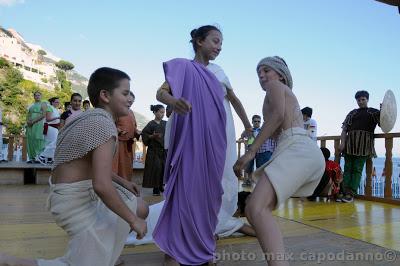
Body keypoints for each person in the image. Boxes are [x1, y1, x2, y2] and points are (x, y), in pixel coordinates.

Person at [0, 67, 149, 266]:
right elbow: (101, 185)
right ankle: (13, 262)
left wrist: (121, 181)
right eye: (125, 93)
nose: (130, 98)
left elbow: (87, 162)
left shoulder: (85, 117)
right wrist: (133, 220)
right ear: (105, 95)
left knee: (139, 205)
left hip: (63, 193)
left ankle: (104, 254)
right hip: (75, 201)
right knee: (132, 214)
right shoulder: (104, 126)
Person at [233, 56, 325, 266]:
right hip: (296, 149)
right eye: (259, 73)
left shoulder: (276, 87)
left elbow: (277, 117)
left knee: (256, 208)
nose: (262, 75)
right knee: (254, 209)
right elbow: (276, 124)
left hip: (297, 147)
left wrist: (251, 152)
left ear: (280, 74)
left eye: (266, 70)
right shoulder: (275, 96)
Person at [153, 25, 228, 266]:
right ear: (198, 41)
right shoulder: (183, 67)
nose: (218, 47)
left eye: (221, 43)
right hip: (188, 141)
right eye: (215, 41)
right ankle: (173, 250)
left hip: (213, 142)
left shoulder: (215, 78)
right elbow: (160, 93)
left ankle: (204, 247)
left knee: (208, 193)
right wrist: (175, 101)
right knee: (184, 190)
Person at [338, 90, 380, 203]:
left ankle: (350, 194)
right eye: (358, 100)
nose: (361, 102)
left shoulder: (374, 112)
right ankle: (344, 192)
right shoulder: (352, 113)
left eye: (363, 99)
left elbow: (384, 123)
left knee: (357, 169)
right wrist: (342, 143)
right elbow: (344, 130)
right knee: (347, 168)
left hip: (364, 145)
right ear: (356, 101)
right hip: (349, 144)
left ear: (367, 100)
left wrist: (384, 111)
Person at [112, 91, 140, 181]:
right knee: (119, 165)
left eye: (132, 102)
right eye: (129, 101)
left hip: (129, 143)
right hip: (119, 142)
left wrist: (137, 132)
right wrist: (118, 131)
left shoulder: (131, 112)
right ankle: (118, 184)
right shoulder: (117, 110)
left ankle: (126, 184)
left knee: (128, 166)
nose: (130, 103)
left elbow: (134, 126)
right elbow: (110, 124)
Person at [243, 115, 276, 186]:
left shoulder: (263, 130)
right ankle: (249, 180)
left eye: (258, 121)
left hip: (260, 150)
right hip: (250, 150)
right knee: (249, 166)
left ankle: (260, 183)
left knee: (260, 166)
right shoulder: (249, 130)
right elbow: (243, 136)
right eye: (255, 121)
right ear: (252, 122)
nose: (257, 123)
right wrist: (245, 137)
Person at [141, 104, 167, 196]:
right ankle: (155, 188)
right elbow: (144, 135)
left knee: (163, 168)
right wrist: (152, 136)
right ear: (155, 112)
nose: (163, 114)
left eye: (164, 112)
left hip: (164, 151)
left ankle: (161, 185)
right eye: (161, 112)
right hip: (154, 151)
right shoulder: (151, 124)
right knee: (156, 169)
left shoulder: (165, 123)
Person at [38, 97, 61, 165]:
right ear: (52, 102)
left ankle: (49, 159)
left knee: (52, 143)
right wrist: (57, 117)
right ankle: (42, 155)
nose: (58, 103)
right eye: (56, 102)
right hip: (51, 127)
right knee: (52, 143)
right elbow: (48, 119)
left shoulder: (55, 109)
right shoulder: (49, 108)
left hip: (55, 127)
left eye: (58, 102)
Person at [26, 91, 48, 163]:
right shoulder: (31, 105)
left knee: (37, 138)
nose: (37, 96)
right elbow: (28, 114)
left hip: (38, 123)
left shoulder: (43, 104)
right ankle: (31, 157)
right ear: (34, 97)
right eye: (36, 95)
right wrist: (28, 121)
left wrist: (33, 121)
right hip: (30, 124)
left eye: (39, 95)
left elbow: (43, 115)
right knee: (30, 139)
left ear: (41, 96)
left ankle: (37, 156)